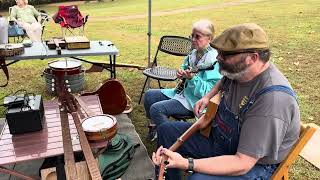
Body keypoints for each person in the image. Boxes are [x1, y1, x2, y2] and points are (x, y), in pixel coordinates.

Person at [152, 23, 300, 180]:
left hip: (253, 165)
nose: (218, 58)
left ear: (252, 58)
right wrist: (207, 97)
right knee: (166, 131)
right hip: (222, 141)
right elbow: (223, 81)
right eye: (219, 52)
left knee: (197, 179)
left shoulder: (272, 100)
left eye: (225, 55)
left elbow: (243, 163)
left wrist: (187, 163)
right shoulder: (239, 71)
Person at [144, 19, 222, 141]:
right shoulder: (194, 52)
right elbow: (185, 67)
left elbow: (209, 93)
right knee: (149, 95)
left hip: (194, 101)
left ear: (210, 39)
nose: (193, 40)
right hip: (182, 92)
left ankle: (171, 138)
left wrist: (192, 79)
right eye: (192, 36)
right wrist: (181, 72)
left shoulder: (213, 61)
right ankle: (156, 128)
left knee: (156, 108)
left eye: (198, 37)